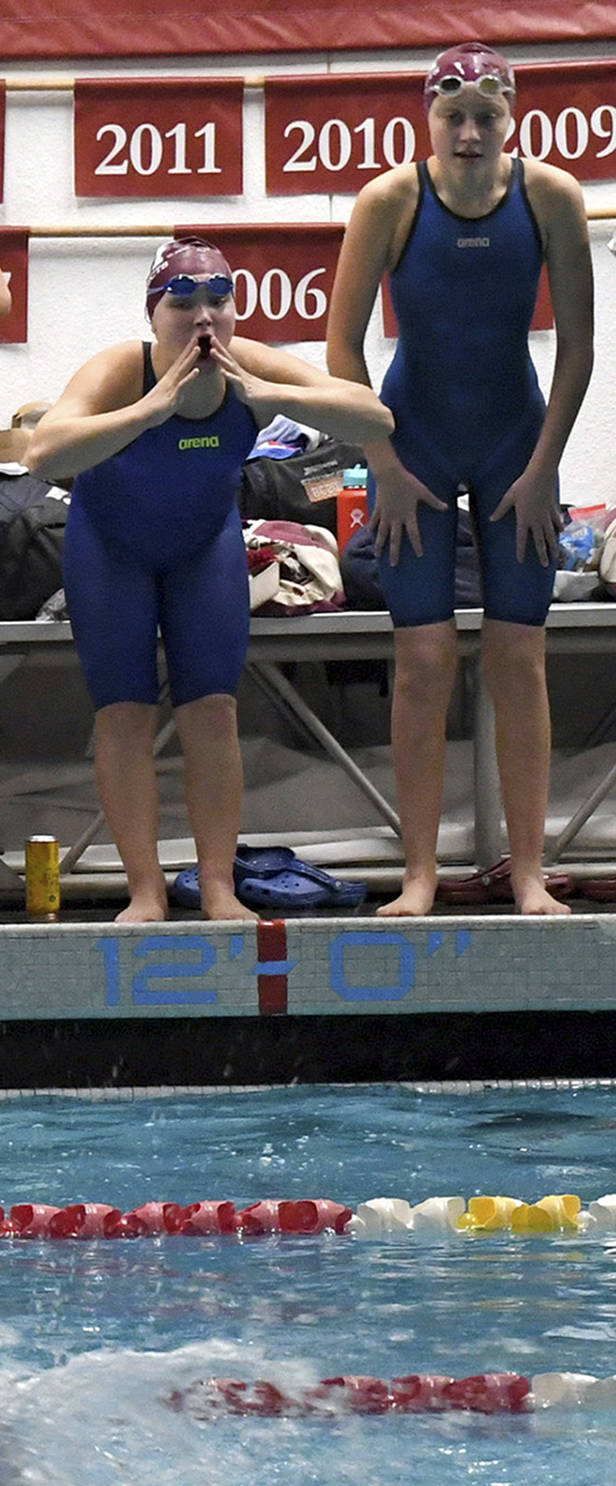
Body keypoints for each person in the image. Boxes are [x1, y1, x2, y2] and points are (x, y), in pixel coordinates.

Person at [28, 237, 392, 923]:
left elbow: (376, 418)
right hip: (112, 552)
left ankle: (219, 885)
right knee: (125, 715)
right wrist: (152, 410)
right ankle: (145, 891)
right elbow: (42, 453)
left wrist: (267, 394)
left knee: (214, 713)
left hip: (204, 550)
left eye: (219, 300)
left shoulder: (247, 366)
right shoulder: (121, 369)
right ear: (153, 313)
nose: (204, 316)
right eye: (183, 301)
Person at [326, 43, 595, 919]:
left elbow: (581, 349)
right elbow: (341, 349)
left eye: (487, 116)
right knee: (425, 658)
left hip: (518, 443)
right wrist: (385, 465)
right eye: (454, 116)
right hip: (418, 446)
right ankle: (418, 874)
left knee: (520, 656)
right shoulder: (391, 200)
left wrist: (546, 465)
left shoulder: (550, 197)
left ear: (512, 116)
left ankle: (526, 871)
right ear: (428, 119)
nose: (471, 133)